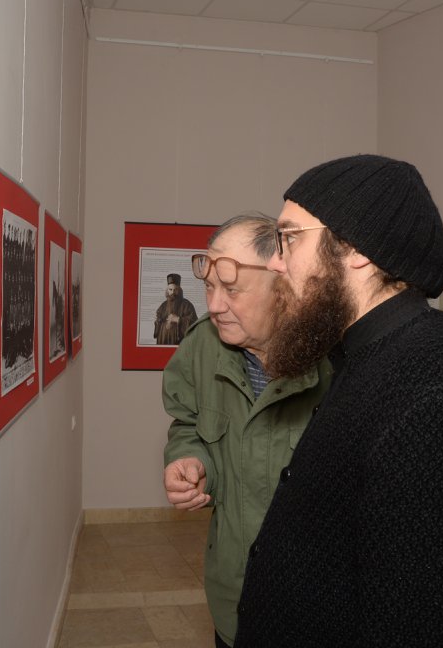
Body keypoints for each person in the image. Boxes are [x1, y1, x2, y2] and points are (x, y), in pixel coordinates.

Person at [234, 155, 443, 647]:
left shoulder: (441, 396)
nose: (276, 261)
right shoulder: (370, 357)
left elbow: (426, 627)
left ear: (355, 249)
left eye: (290, 237)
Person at [162, 215, 331, 648]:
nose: (215, 306)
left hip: (316, 610)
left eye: (232, 290)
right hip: (233, 599)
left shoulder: (338, 361)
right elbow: (188, 423)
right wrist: (190, 459)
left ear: (282, 286)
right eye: (209, 287)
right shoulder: (201, 346)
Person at [154, 273, 197, 345]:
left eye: (175, 289)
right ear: (167, 291)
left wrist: (178, 319)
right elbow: (158, 321)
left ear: (179, 290)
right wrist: (158, 321)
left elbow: (194, 323)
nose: (173, 292)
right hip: (163, 340)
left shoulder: (187, 305)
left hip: (180, 343)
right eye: (170, 289)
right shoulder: (163, 305)